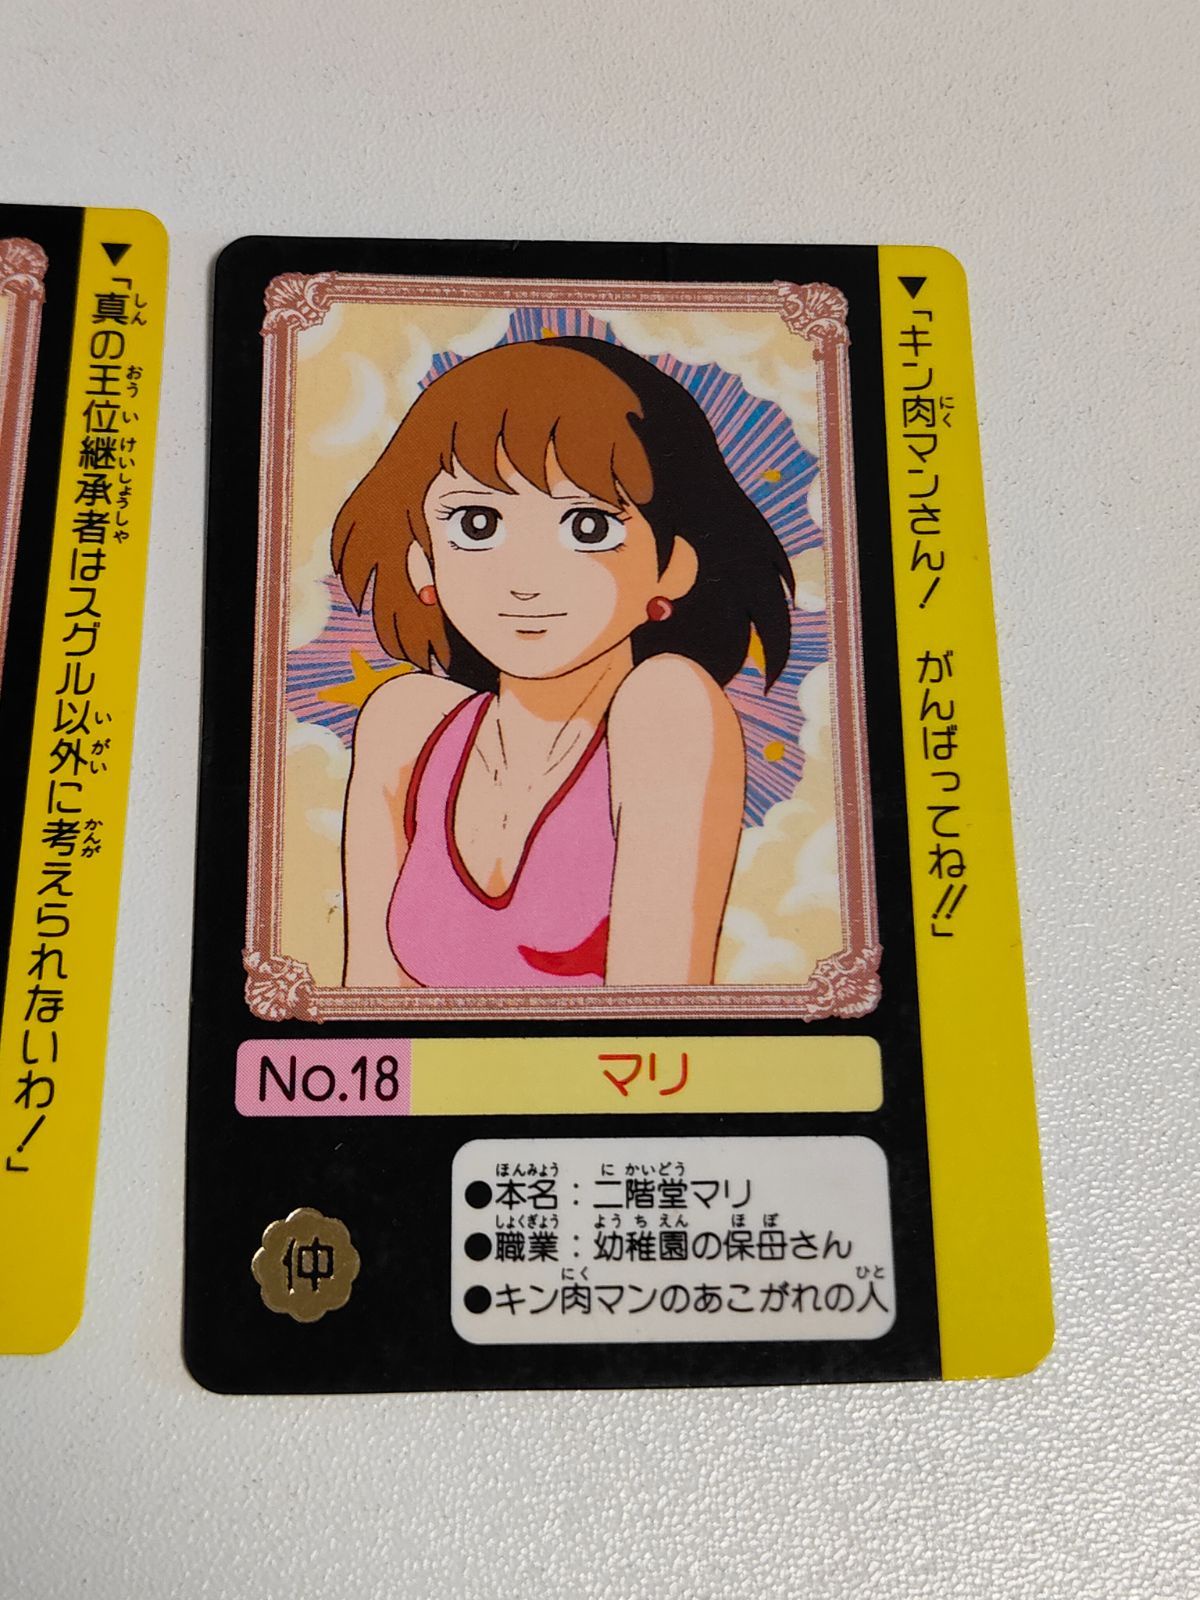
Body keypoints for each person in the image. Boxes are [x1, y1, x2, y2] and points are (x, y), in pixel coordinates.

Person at [332, 335, 793, 988]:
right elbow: (367, 1007)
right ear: (421, 559)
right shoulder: (407, 725)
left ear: (673, 566)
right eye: (476, 524)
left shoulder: (667, 707)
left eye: (588, 528)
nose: (526, 580)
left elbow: (658, 1010)